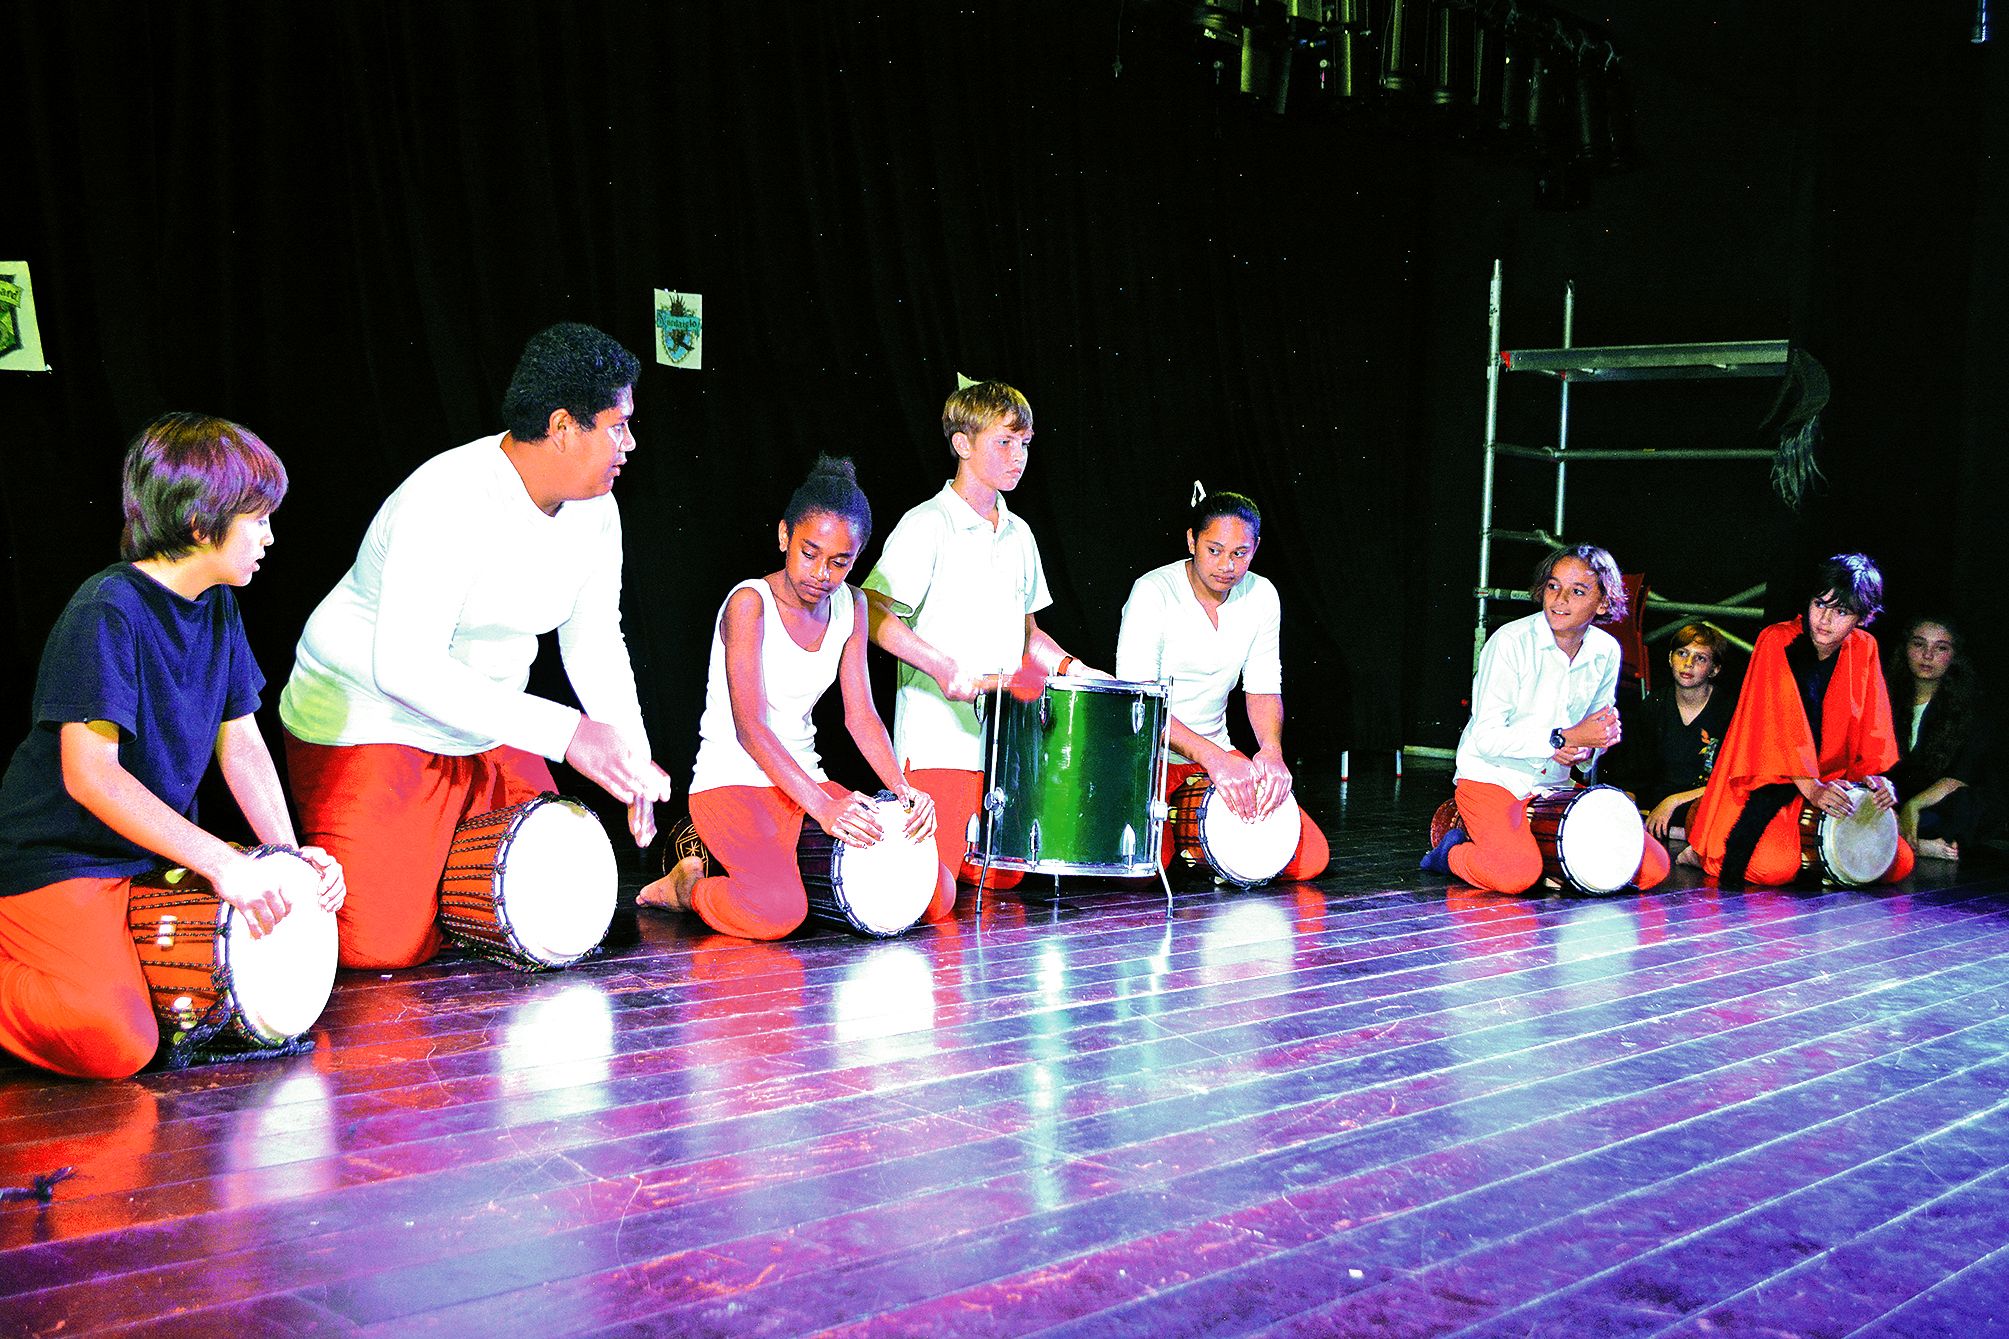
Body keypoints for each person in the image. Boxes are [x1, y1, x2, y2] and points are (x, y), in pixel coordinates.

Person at [280, 323, 673, 970]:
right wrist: (568, 733)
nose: (629, 443)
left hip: (485, 724)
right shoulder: (449, 497)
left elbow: (596, 638)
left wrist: (628, 753)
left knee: (561, 904)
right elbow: (404, 668)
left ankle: (433, 863)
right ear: (564, 426)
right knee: (380, 945)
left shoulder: (596, 509)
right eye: (617, 426)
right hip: (376, 718)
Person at [0, 414, 345, 1079]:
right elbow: (89, 777)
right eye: (257, 518)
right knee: (119, 1042)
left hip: (144, 855)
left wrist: (288, 853)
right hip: (61, 855)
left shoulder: (217, 604)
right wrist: (223, 860)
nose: (270, 534)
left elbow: (239, 743)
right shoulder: (108, 608)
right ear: (198, 522)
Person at [637, 455, 954, 937]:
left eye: (840, 561)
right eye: (810, 552)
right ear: (785, 536)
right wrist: (825, 808)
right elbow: (750, 729)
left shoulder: (853, 605)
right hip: (733, 783)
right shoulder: (750, 604)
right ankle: (685, 886)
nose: (821, 573)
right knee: (779, 912)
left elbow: (861, 715)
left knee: (935, 895)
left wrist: (904, 790)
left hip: (802, 783)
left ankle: (780, 868)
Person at [861, 380, 1103, 888]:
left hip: (1002, 752)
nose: (1019, 457)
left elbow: (1028, 636)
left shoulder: (1021, 534)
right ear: (962, 444)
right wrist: (943, 668)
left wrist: (1076, 670)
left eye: (1026, 444)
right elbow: (872, 615)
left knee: (1002, 885)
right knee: (938, 890)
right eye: (1005, 442)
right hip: (937, 747)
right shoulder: (926, 524)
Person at [1421, 544, 1671, 893]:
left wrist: (1589, 749)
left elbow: (1590, 738)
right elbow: (1486, 738)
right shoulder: (1510, 642)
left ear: (1603, 603)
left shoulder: (1606, 651)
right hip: (1495, 778)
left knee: (1650, 869)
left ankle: (1532, 851)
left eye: (1577, 591)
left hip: (1553, 787)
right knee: (1515, 876)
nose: (1559, 599)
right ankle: (1450, 851)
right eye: (1553, 586)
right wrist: (1564, 740)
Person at [1113, 489, 1329, 880]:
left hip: (1215, 758)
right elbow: (1139, 702)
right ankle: (1185, 839)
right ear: (1192, 540)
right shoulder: (1153, 592)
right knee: (1142, 867)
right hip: (1148, 756)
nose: (1227, 565)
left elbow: (1263, 687)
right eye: (1214, 550)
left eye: (1240, 553)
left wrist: (1271, 751)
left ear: (1256, 548)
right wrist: (1214, 758)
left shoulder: (1262, 595)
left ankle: (1192, 836)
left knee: (1307, 859)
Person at [1682, 553, 1915, 886]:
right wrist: (1811, 787)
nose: (1824, 619)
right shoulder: (1776, 639)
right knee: (1773, 869)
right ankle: (1700, 827)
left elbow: (1872, 722)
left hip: (1831, 780)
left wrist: (1874, 779)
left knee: (1900, 861)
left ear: (1862, 619)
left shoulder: (1865, 647)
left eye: (1842, 612)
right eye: (1820, 604)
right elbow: (1777, 722)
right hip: (1773, 778)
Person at [1618, 623, 1738, 846]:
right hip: (1654, 814)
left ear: (1714, 669)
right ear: (1670, 658)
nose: (1688, 663)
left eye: (1700, 658)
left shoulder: (1729, 710)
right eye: (1682, 653)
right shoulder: (1653, 705)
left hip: (1704, 806)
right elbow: (1635, 776)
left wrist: (1672, 802)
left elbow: (1729, 781)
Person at [1887, 615, 1985, 861]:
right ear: (1906, 648)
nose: (1927, 655)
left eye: (1940, 648)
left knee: (1967, 805)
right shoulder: (1885, 697)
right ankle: (1916, 844)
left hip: (1931, 806)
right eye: (1919, 644)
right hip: (1891, 802)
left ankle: (1901, 841)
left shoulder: (1967, 706)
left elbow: (1961, 775)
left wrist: (1914, 806)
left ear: (1953, 656)